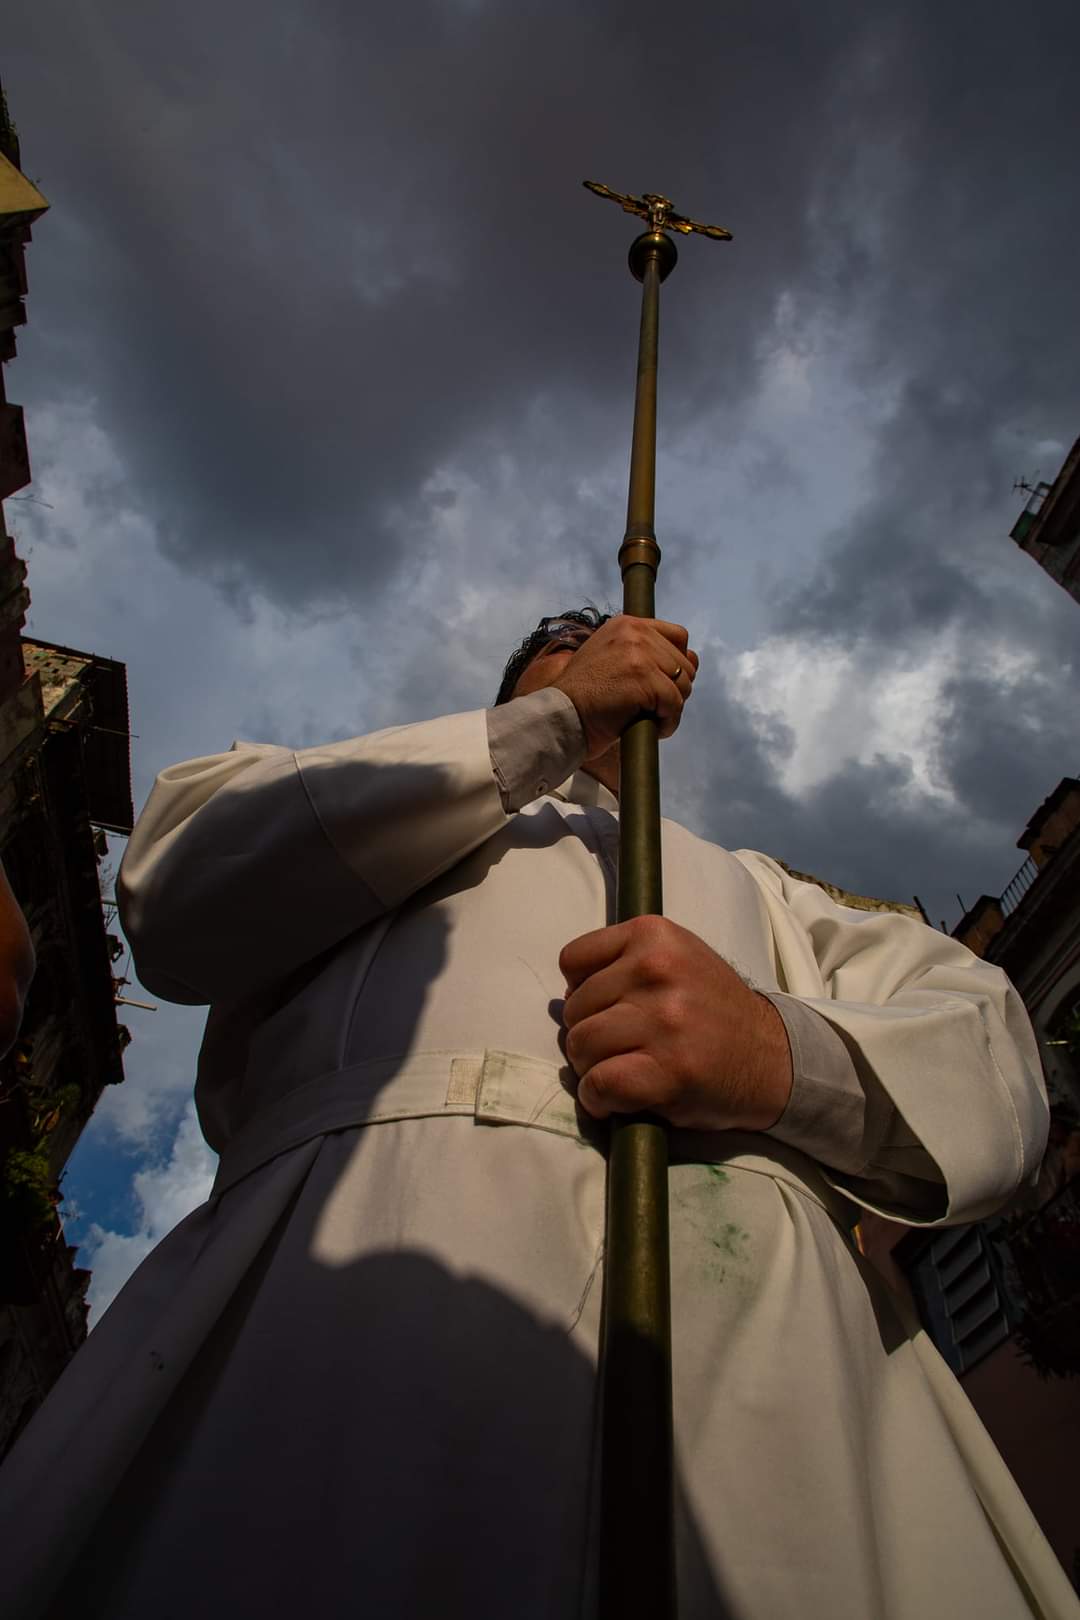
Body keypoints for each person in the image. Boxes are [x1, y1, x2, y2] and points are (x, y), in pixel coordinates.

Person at [1, 608, 1076, 1619]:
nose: (607, 646)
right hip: (344, 1302)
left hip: (771, 1350)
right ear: (513, 692)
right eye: (568, 645)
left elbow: (993, 1061)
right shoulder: (341, 799)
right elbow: (182, 890)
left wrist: (774, 1053)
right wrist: (553, 726)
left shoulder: (772, 892)